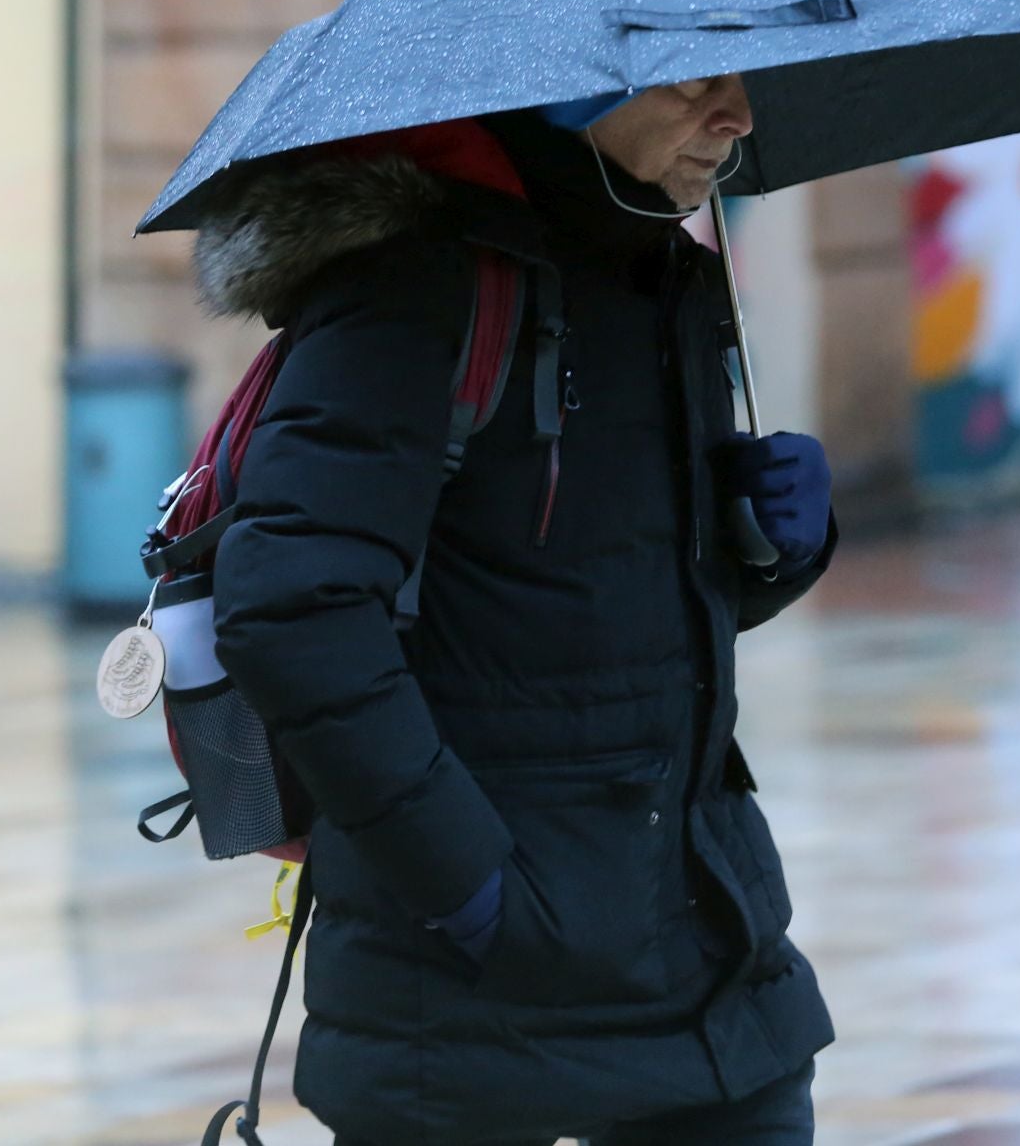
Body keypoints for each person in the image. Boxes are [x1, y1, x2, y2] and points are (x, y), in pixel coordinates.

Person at [203, 75, 837, 1144]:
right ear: (575, 95)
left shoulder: (667, 275)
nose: (736, 117)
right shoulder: (415, 286)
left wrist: (774, 544)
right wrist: (475, 889)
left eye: (743, 83)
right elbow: (293, 609)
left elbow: (609, 601)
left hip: (703, 951)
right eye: (695, 85)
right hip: (468, 993)